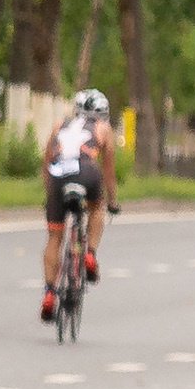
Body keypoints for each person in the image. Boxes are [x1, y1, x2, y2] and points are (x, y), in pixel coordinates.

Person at [40, 87, 119, 322]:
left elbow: (46, 162)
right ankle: (90, 254)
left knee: (55, 236)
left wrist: (49, 194)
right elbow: (108, 170)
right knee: (96, 207)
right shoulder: (103, 128)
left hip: (57, 175)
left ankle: (49, 292)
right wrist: (112, 201)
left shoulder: (59, 125)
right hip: (86, 171)